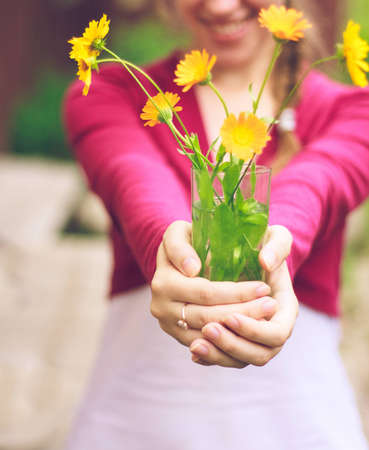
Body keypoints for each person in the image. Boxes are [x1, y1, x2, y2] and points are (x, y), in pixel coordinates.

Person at [63, 0, 369, 449]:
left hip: (297, 426)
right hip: (136, 423)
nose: (221, 4)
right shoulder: (111, 92)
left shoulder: (353, 110)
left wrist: (273, 246)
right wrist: (171, 245)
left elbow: (314, 186)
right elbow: (136, 180)